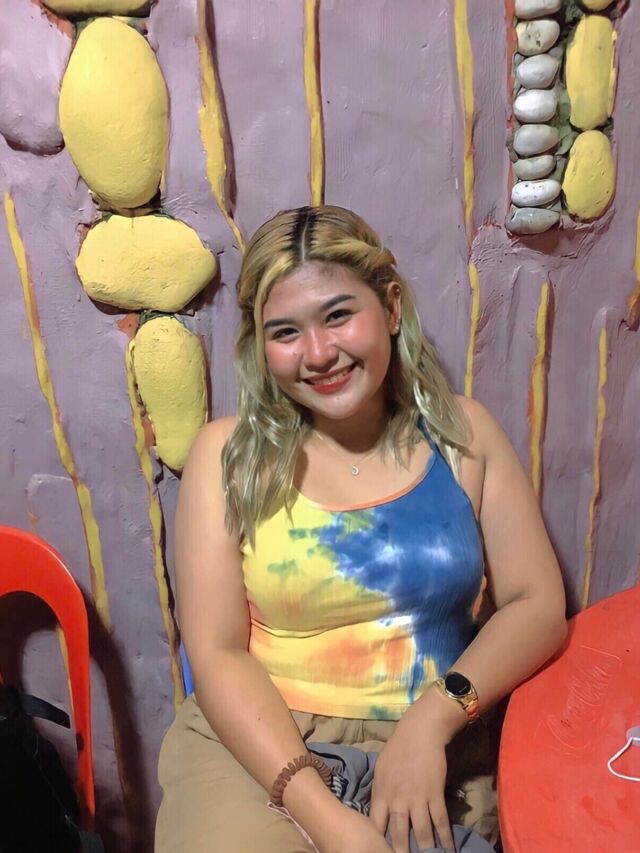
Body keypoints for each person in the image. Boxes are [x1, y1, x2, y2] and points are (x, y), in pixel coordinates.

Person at [155, 205, 567, 853]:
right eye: (285, 332)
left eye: (339, 315)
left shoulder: (464, 435)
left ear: (391, 308)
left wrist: (433, 720)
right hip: (262, 750)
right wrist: (328, 819)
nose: (319, 354)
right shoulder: (227, 455)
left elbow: (537, 606)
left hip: (437, 739)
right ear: (261, 346)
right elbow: (217, 654)